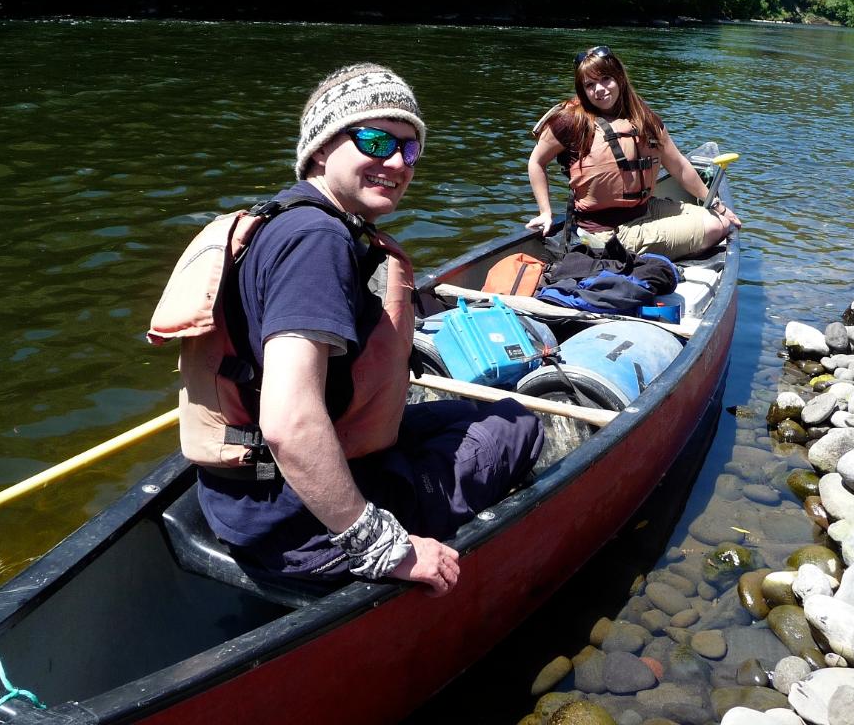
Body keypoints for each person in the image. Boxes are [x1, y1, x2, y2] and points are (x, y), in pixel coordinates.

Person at [191, 64, 542, 596]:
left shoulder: (287, 218)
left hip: (243, 499)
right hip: (297, 530)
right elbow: (288, 422)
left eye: (410, 148)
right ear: (321, 149)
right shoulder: (317, 241)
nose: (397, 162)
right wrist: (383, 544)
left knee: (464, 414)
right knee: (517, 424)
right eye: (375, 139)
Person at [526, 45, 740, 258]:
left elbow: (679, 166)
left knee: (718, 217)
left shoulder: (643, 117)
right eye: (590, 84)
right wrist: (545, 212)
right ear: (582, 89)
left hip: (643, 210)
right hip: (605, 232)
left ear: (619, 78)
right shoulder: (570, 121)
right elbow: (536, 161)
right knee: (715, 227)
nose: (599, 89)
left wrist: (716, 204)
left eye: (605, 79)